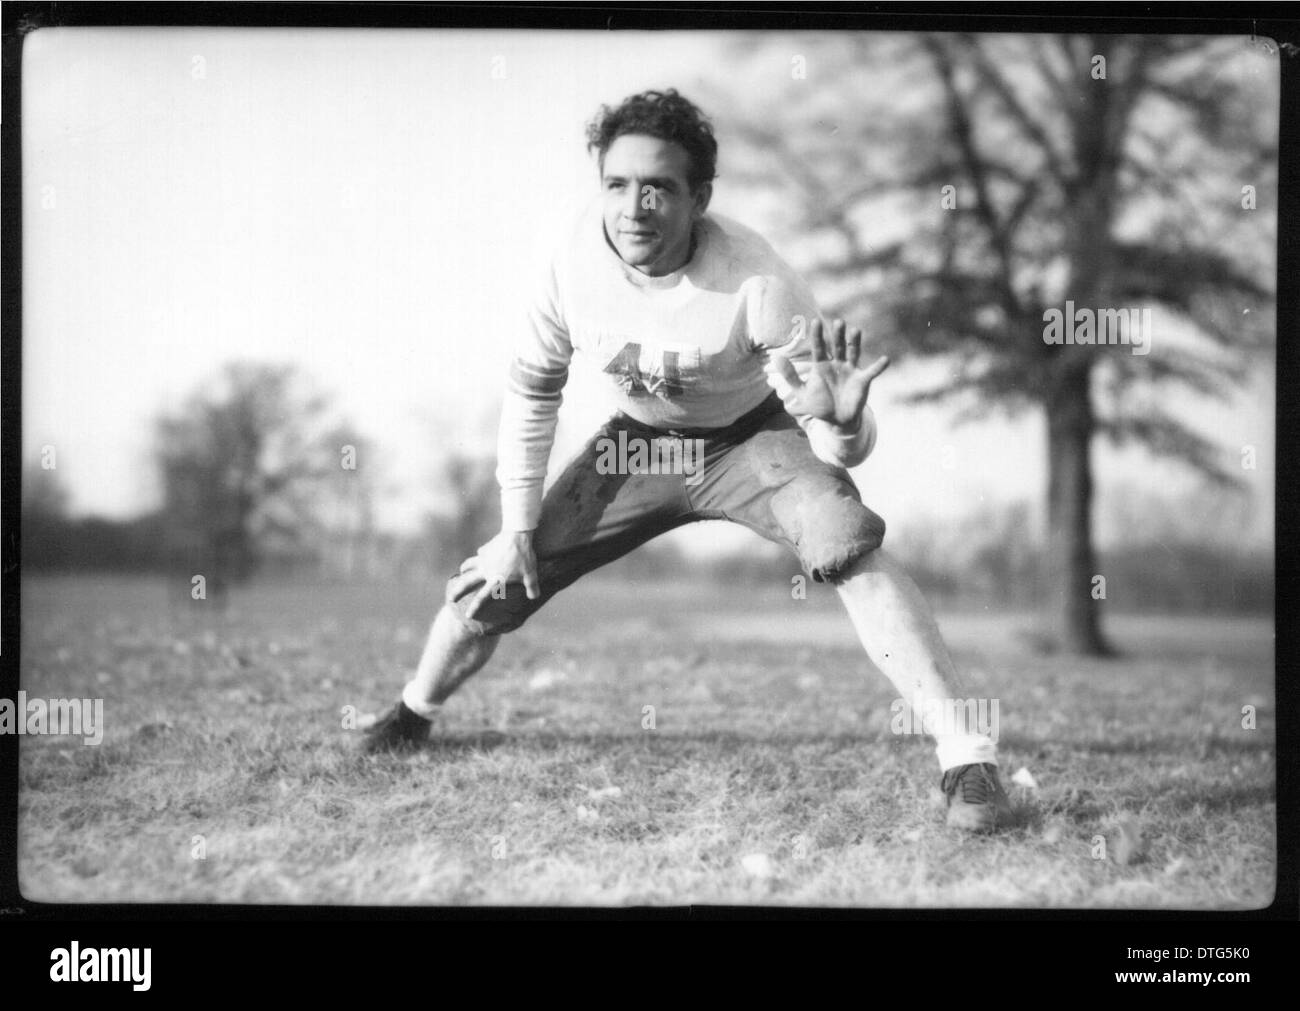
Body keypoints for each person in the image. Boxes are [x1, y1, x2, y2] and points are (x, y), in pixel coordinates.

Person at [360, 89, 1011, 832]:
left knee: (846, 542)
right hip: (637, 444)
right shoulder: (568, 259)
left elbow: (838, 442)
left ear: (699, 198)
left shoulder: (760, 283)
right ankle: (412, 712)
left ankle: (968, 760)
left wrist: (843, 422)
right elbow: (534, 394)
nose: (634, 208)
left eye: (659, 188)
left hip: (750, 439)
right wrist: (515, 526)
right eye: (617, 184)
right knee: (502, 576)